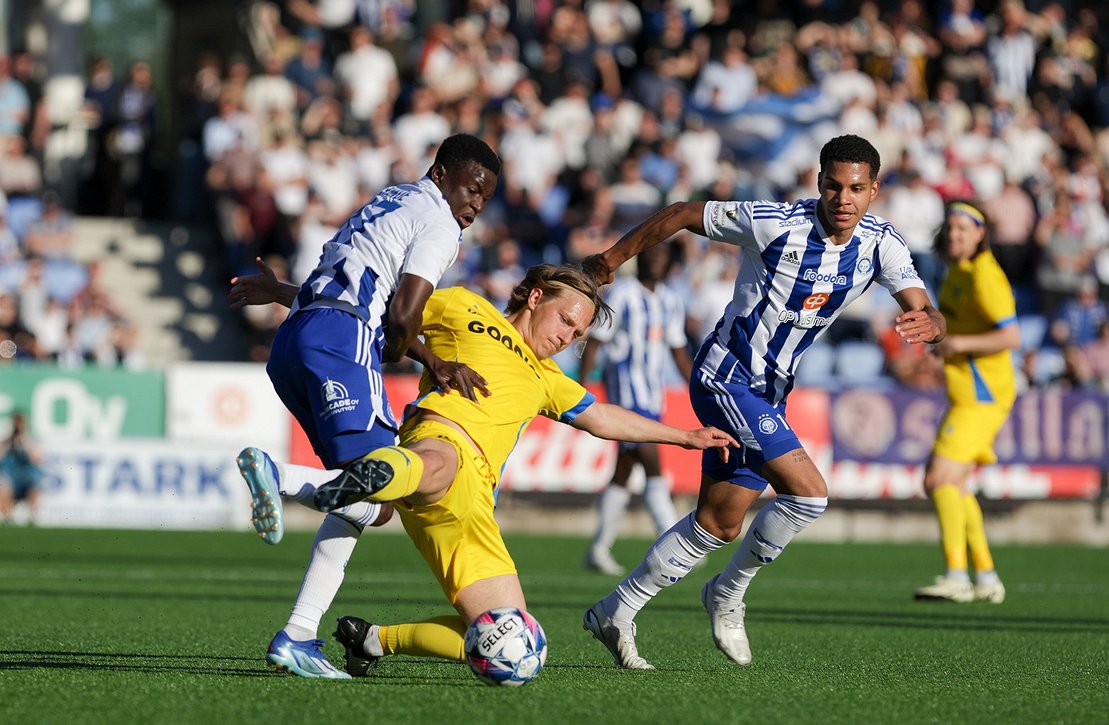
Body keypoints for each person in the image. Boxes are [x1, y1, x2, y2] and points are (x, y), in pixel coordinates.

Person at [240, 265, 737, 675]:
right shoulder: (464, 308)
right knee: (437, 463)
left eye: (578, 333)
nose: (567, 337)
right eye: (565, 319)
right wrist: (280, 291)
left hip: (476, 504)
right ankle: (325, 484)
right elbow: (367, 309)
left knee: (514, 643)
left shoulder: (548, 379)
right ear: (536, 296)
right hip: (440, 443)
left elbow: (601, 418)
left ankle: (371, 640)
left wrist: (686, 436)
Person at [580, 134, 947, 669]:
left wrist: (933, 322)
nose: (843, 198)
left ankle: (617, 609)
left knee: (719, 523)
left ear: (874, 191)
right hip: (726, 377)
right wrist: (610, 259)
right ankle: (728, 594)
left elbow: (921, 304)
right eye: (833, 186)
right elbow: (683, 212)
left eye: (856, 189)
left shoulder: (880, 244)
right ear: (818, 184)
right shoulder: (775, 222)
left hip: (769, 394)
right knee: (810, 495)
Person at [229, 133, 501, 678]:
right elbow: (401, 314)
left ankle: (299, 637)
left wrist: (280, 290)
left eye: (485, 199)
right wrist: (422, 357)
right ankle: (278, 476)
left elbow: (353, 280)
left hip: (296, 336)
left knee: (367, 496)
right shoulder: (440, 223)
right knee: (379, 494)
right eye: (471, 189)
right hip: (340, 339)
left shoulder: (391, 198)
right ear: (442, 172)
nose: (474, 205)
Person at [913, 201, 1020, 605]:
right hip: (968, 393)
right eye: (951, 227)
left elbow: (1011, 337)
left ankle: (957, 575)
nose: (955, 234)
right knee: (953, 484)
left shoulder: (985, 277)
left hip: (983, 396)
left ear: (980, 233)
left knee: (937, 480)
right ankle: (988, 578)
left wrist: (957, 344)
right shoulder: (957, 271)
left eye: (964, 228)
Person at [578, 243, 694, 576]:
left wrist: (698, 388)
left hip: (653, 394)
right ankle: (677, 543)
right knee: (652, 461)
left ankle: (599, 548)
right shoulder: (624, 294)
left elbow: (678, 350)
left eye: (662, 256)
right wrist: (584, 386)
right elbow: (597, 340)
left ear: (670, 263)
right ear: (641, 260)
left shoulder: (671, 301)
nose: (656, 261)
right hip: (625, 390)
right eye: (651, 255)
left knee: (625, 469)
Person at [0, 411, 43, 525]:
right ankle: (7, 518)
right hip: (11, 478)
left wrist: (24, 443)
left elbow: (36, 460)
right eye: (15, 422)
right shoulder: (6, 440)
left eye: (20, 422)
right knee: (2, 486)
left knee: (35, 485)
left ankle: (32, 518)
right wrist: (7, 445)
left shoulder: (32, 439)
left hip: (27, 478)